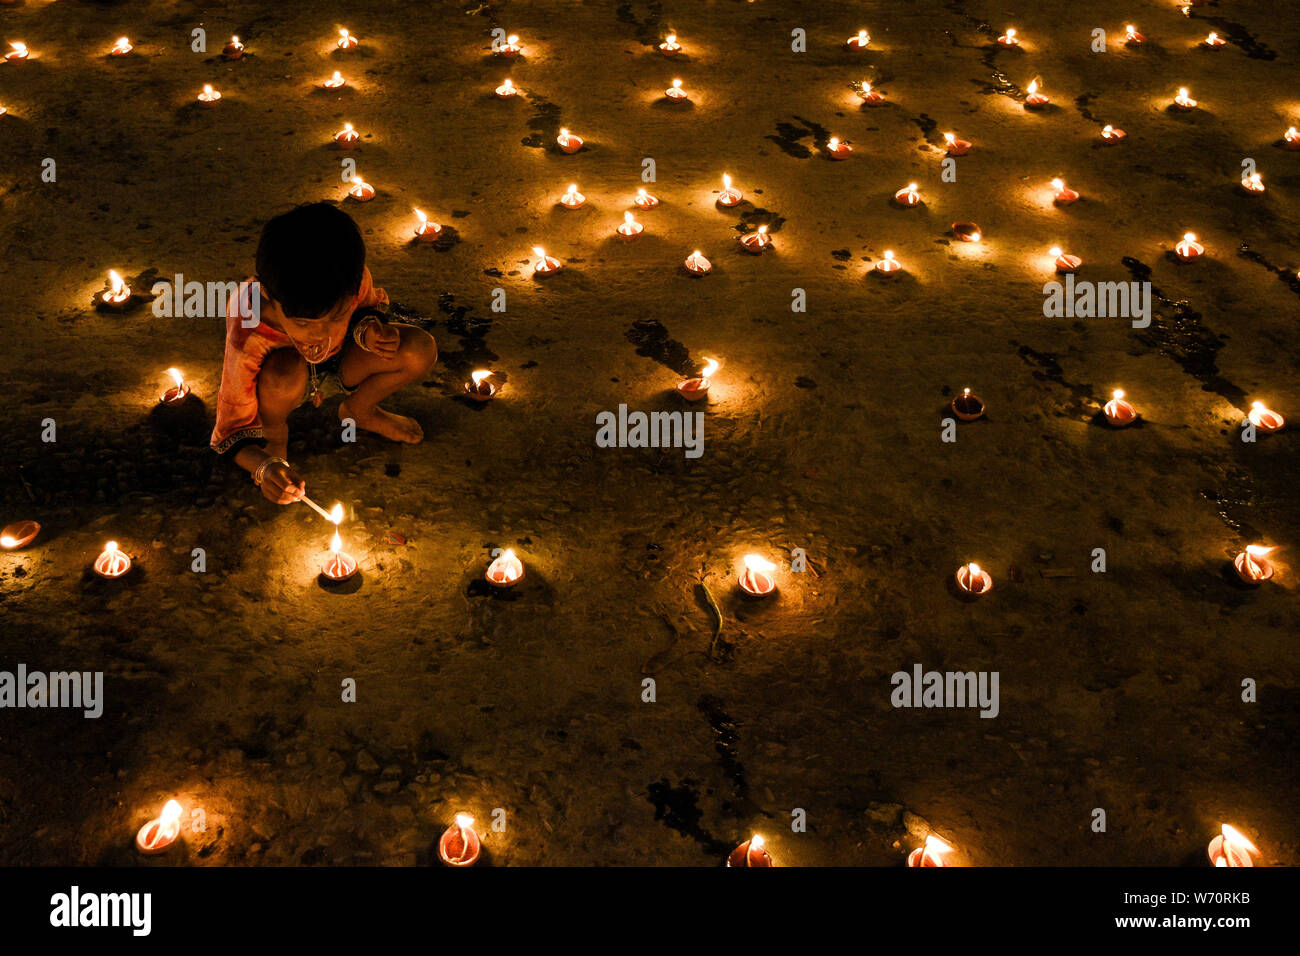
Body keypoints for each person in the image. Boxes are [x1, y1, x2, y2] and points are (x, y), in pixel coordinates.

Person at [210, 202, 438, 504]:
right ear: (267, 293)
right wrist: (264, 466)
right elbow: (229, 430)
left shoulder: (346, 280)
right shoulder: (248, 326)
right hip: (284, 379)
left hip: (342, 359)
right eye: (303, 323)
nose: (321, 334)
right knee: (283, 374)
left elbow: (367, 307)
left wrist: (369, 330)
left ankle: (360, 411)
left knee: (419, 350)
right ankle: (276, 438)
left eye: (336, 316)